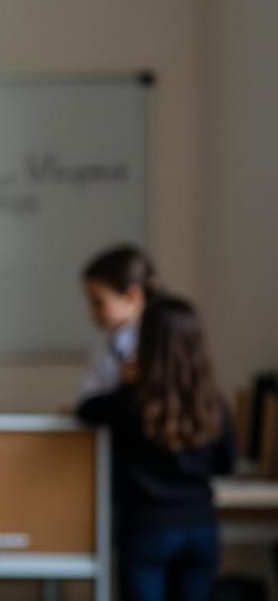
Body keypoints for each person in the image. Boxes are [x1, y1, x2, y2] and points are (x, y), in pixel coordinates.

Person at [77, 296, 234, 601]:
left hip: (146, 526)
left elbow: (86, 409)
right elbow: (225, 464)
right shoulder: (214, 402)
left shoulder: (129, 401)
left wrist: (124, 382)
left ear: (145, 342)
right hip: (201, 524)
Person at [77, 244, 158, 401]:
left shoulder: (161, 337)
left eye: (98, 302)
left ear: (131, 296)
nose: (90, 311)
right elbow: (86, 398)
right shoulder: (107, 340)